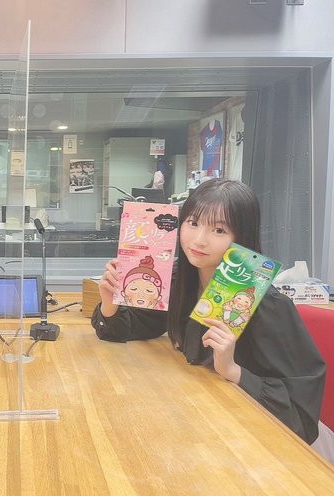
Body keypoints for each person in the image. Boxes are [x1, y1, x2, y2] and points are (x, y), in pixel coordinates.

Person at [91, 179, 325, 444]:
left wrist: (233, 370)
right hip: (202, 421)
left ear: (242, 236)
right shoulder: (180, 280)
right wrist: (110, 303)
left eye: (219, 230)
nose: (199, 240)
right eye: (193, 223)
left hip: (259, 441)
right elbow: (136, 326)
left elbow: (301, 417)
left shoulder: (267, 305)